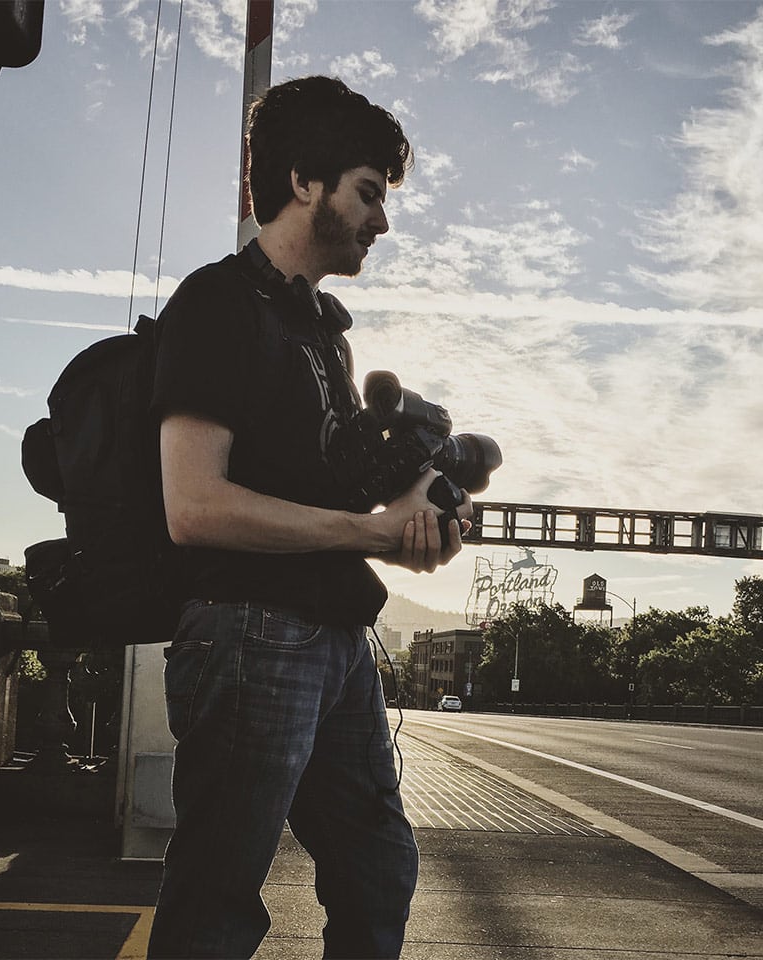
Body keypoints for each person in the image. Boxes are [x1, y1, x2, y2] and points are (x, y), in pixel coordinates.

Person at [146, 76, 473, 960]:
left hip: (332, 637)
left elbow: (325, 502)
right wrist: (369, 536)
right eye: (368, 192)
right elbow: (196, 507)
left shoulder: (324, 335)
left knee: (377, 870)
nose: (382, 220)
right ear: (304, 181)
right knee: (218, 899)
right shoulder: (217, 305)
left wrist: (408, 517)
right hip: (247, 634)